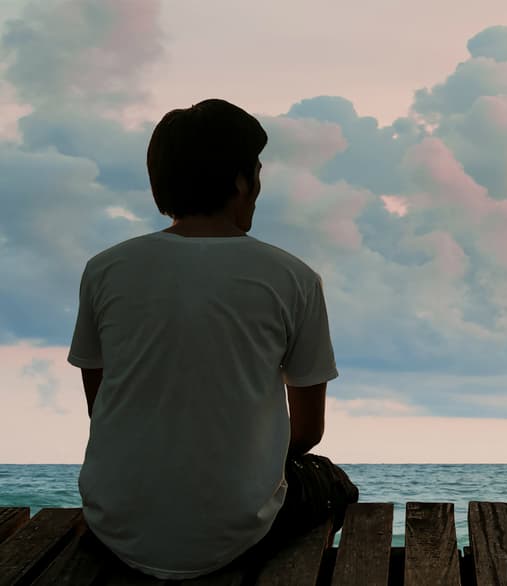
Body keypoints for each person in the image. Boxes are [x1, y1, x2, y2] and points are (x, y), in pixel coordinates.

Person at [67, 98, 359, 580]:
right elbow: (306, 433)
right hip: (235, 533)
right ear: (242, 182)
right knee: (329, 479)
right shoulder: (293, 278)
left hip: (115, 520)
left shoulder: (105, 270)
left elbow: (103, 411)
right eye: (257, 175)